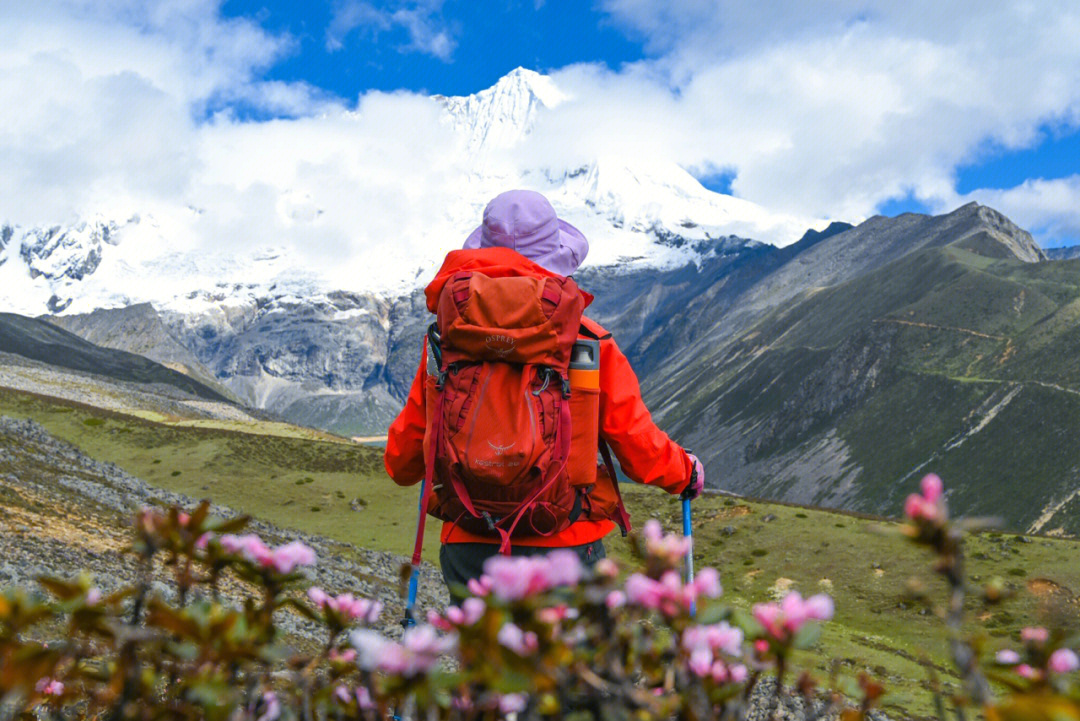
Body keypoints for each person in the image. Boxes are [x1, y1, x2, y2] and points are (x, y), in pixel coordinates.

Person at [384, 189, 704, 595]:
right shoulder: (588, 343)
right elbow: (636, 444)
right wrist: (686, 472)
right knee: (570, 658)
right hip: (565, 545)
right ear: (557, 260)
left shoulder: (445, 345)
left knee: (487, 659)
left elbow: (402, 462)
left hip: (470, 545)